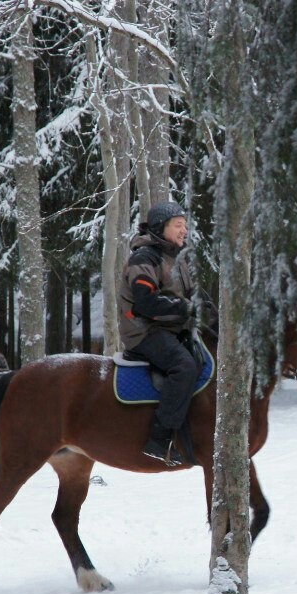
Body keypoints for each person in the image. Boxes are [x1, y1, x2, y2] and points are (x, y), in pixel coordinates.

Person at [117, 200, 199, 466]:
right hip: (144, 331)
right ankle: (159, 440)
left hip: (169, 328)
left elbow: (189, 297)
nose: (184, 231)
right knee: (184, 366)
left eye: (185, 226)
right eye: (178, 225)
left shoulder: (176, 258)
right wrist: (186, 308)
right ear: (160, 228)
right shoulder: (144, 258)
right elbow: (145, 304)